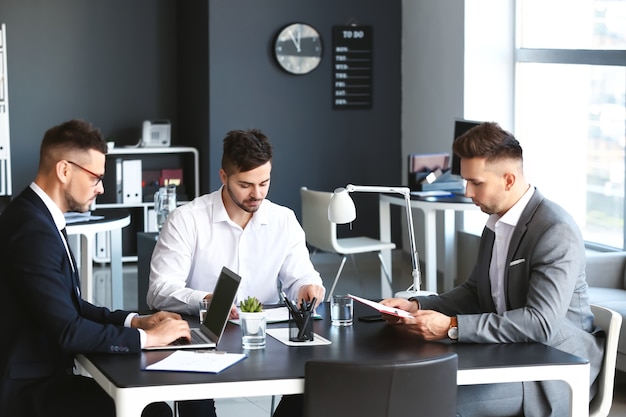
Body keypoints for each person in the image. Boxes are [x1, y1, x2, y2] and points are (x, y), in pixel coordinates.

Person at [380, 122, 604, 417]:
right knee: (410, 385)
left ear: (509, 180)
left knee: (433, 402)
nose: (467, 191)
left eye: (476, 182)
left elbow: (540, 323)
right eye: (465, 181)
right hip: (509, 353)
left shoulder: (554, 230)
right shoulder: (496, 222)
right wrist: (416, 305)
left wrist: (451, 326)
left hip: (551, 368)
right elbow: (475, 291)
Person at [0, 119, 192, 417]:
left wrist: (135, 322)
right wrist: (150, 340)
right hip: (27, 390)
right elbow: (68, 331)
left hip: (42, 376)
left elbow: (70, 307)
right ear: (64, 170)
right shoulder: (31, 230)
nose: (101, 188)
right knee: (152, 413)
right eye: (95, 178)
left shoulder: (38, 218)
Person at [146, 128, 325, 417]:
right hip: (203, 339)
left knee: (317, 384)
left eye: (264, 182)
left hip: (267, 339)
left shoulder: (283, 220)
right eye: (245, 184)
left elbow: (302, 275)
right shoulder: (187, 219)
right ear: (223, 177)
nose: (257, 194)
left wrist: (308, 286)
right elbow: (159, 290)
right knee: (197, 405)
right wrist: (207, 298)